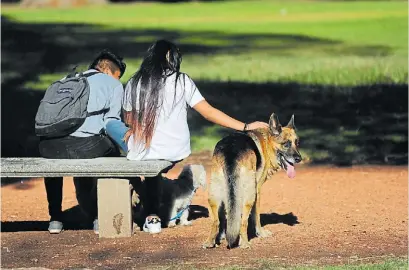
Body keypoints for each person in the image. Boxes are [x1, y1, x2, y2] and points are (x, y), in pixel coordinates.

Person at [106, 40, 268, 234]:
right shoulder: (181, 80)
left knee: (110, 124)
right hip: (174, 149)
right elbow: (208, 112)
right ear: (171, 58)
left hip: (143, 149)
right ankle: (153, 213)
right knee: (152, 169)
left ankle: (146, 207)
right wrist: (246, 126)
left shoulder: (134, 82)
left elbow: (130, 123)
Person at [38, 49, 126, 234]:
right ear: (109, 71)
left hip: (49, 147)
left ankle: (55, 219)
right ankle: (98, 216)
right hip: (86, 147)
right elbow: (111, 123)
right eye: (118, 76)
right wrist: (129, 146)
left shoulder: (66, 80)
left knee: (54, 163)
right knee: (112, 153)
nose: (118, 81)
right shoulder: (113, 84)